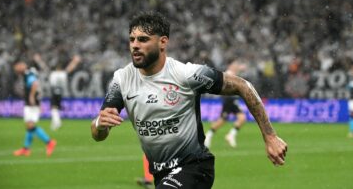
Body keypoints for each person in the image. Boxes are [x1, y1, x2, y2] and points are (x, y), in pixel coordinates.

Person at [91, 12, 287, 189]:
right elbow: (98, 133)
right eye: (132, 39)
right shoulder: (122, 79)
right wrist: (100, 124)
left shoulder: (185, 75)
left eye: (143, 40)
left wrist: (269, 136)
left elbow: (242, 85)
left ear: (163, 42)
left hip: (195, 167)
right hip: (161, 174)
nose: (135, 45)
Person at [13, 60, 57, 156]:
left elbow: (35, 84)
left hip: (31, 103)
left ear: (22, 65)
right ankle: (26, 148)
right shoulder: (30, 72)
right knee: (29, 126)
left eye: (17, 66)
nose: (16, 69)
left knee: (31, 126)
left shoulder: (28, 73)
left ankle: (49, 142)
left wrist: (32, 96)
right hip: (33, 103)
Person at [204, 59, 248, 148]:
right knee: (242, 118)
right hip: (230, 99)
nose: (236, 66)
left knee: (222, 120)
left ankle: (208, 135)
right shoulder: (228, 73)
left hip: (228, 99)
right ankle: (231, 135)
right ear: (230, 65)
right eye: (235, 64)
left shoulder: (232, 73)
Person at [49, 55, 81, 130]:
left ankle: (57, 122)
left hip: (54, 91)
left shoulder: (53, 74)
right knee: (56, 107)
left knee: (53, 107)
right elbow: (69, 68)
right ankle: (56, 122)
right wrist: (75, 61)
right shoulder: (63, 74)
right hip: (60, 92)